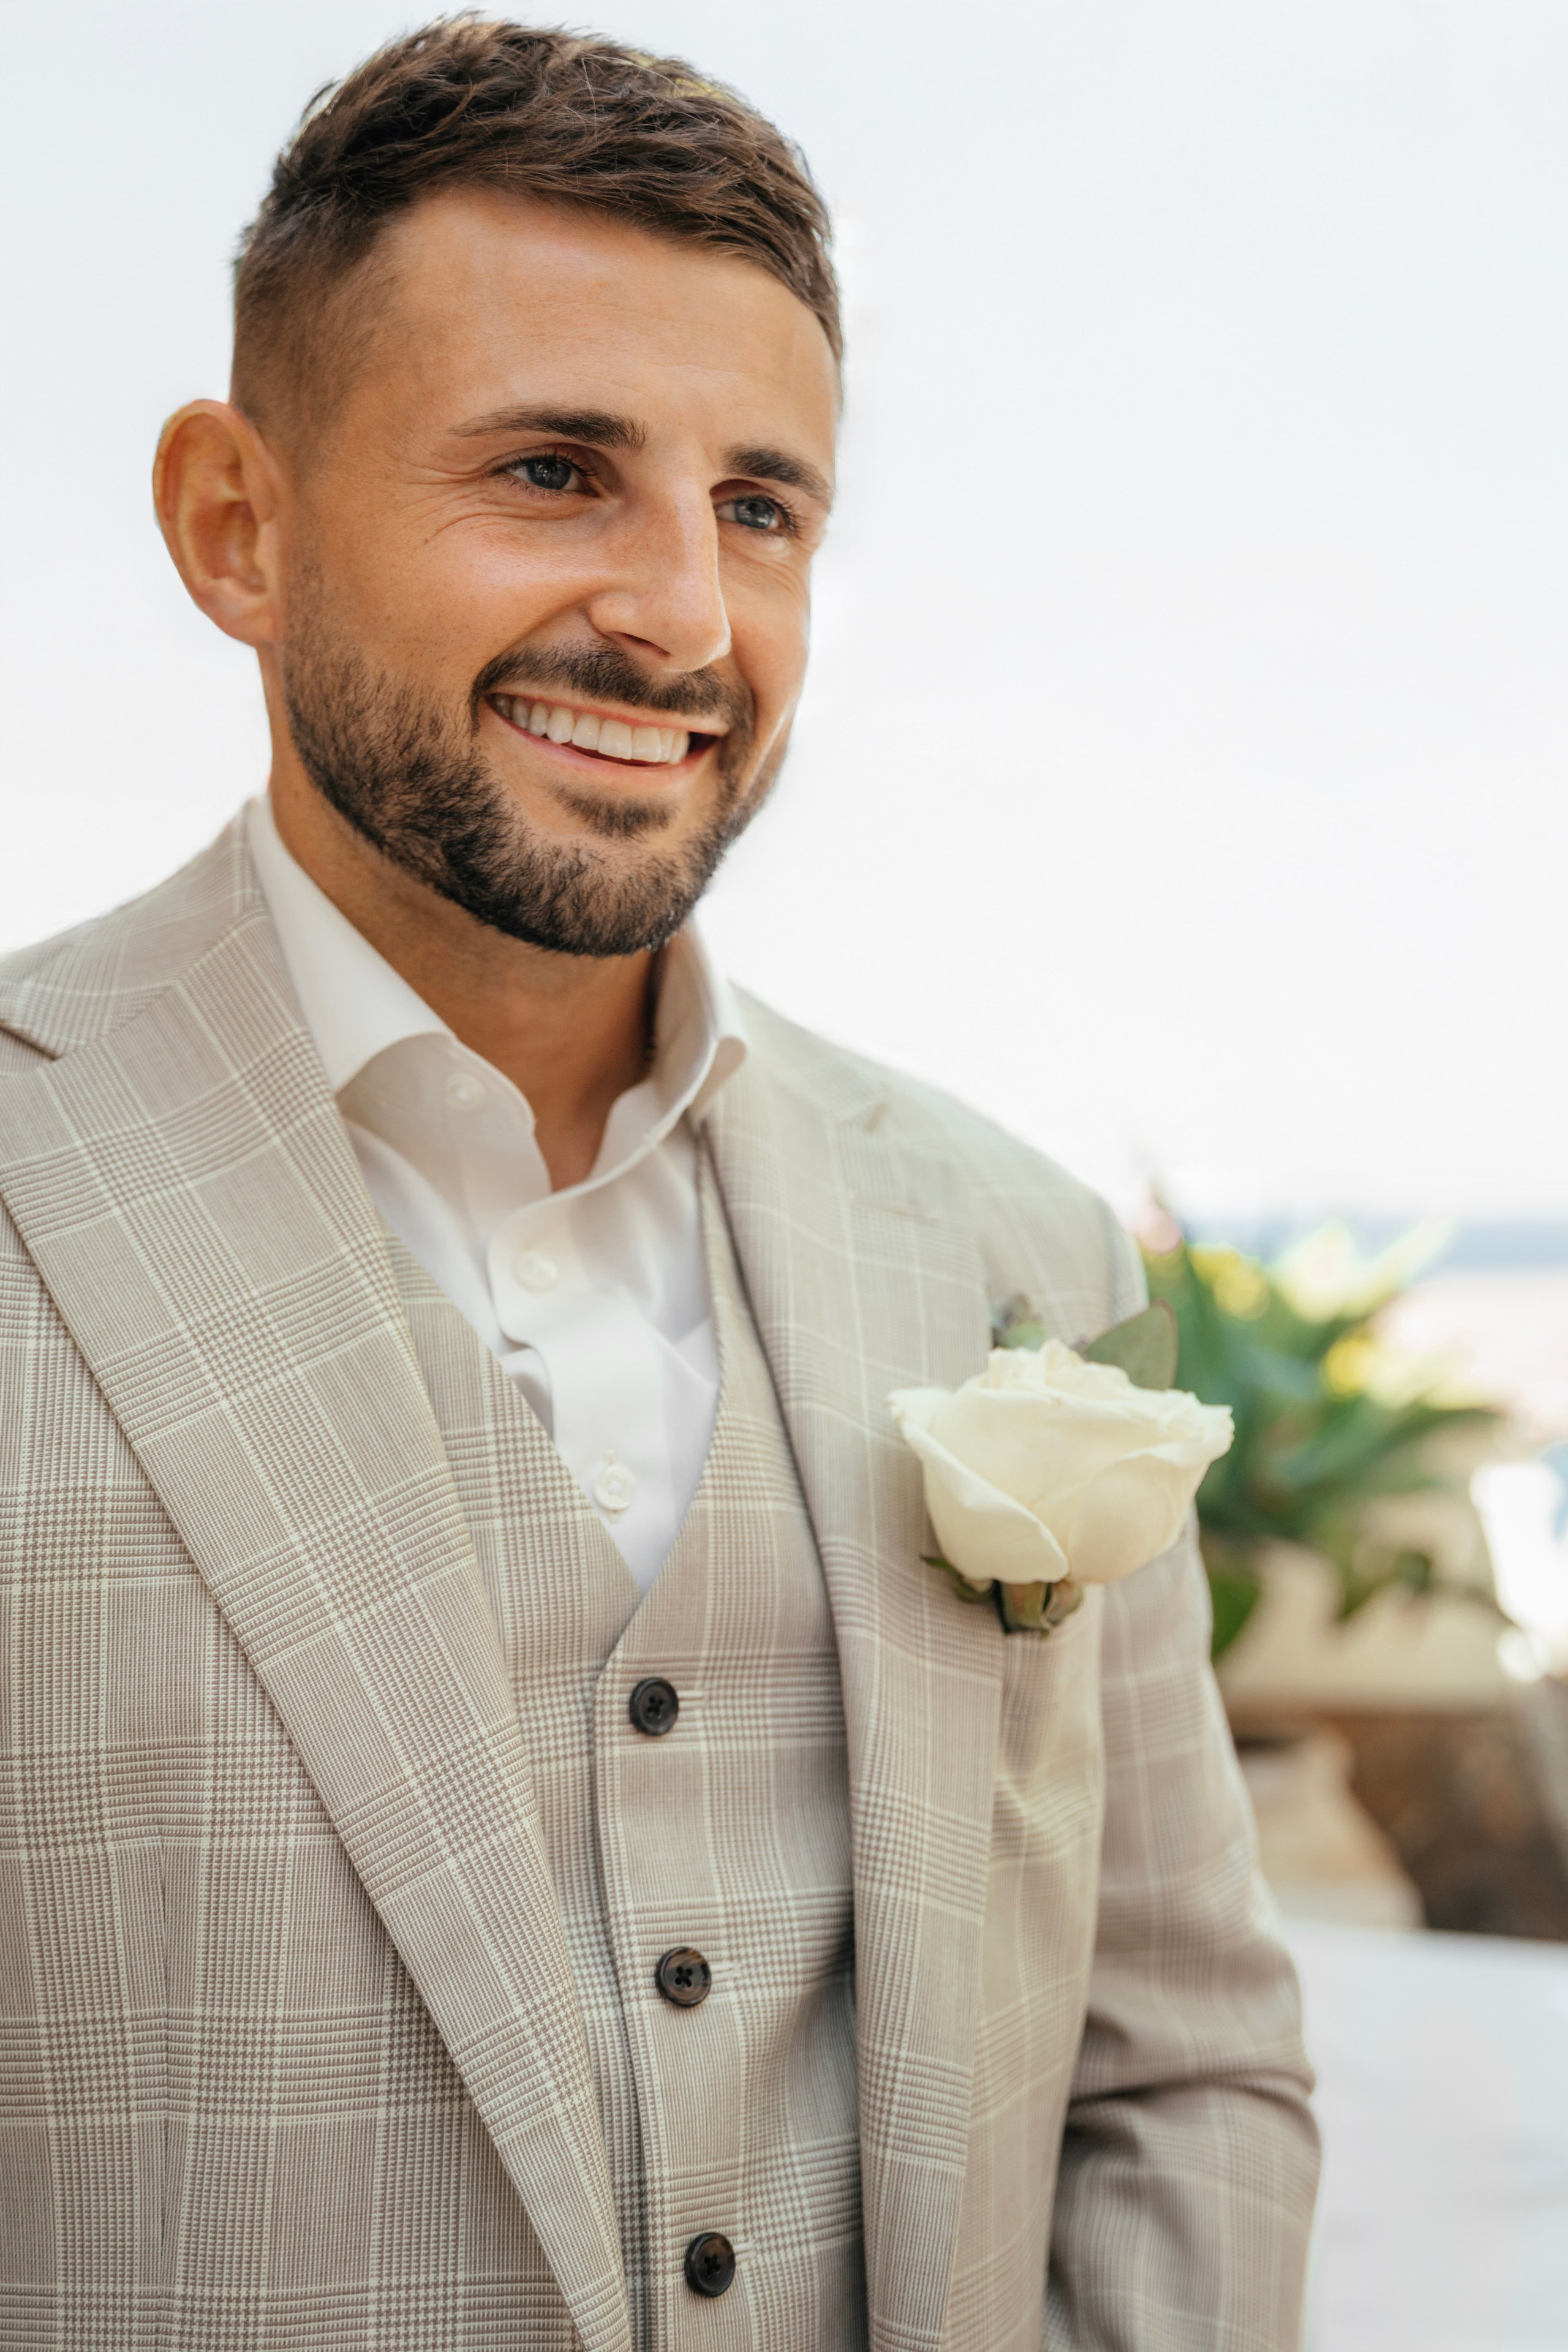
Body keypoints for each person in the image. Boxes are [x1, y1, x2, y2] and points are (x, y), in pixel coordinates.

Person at [0, 20, 1317, 2349]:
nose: (687, 619)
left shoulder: (1013, 1255)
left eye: (762, 507)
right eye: (552, 470)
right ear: (240, 524)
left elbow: (1182, 2066)